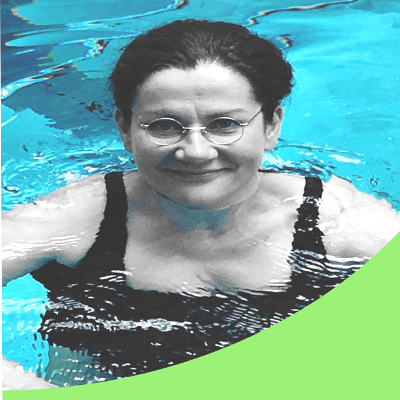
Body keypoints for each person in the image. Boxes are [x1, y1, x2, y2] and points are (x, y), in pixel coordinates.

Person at [2, 19, 399, 388]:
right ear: (124, 128)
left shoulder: (334, 222)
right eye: (163, 126)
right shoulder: (78, 217)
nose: (194, 151)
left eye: (225, 124)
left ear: (272, 125)